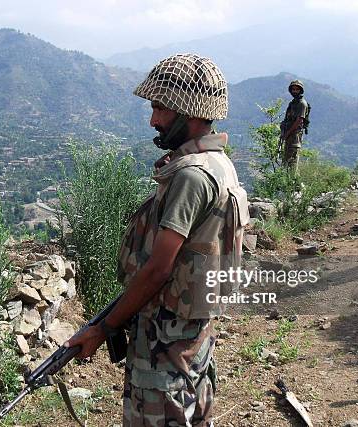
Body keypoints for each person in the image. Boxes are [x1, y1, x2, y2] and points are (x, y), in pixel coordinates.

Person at [65, 53, 249, 427]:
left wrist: (103, 328)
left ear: (190, 111)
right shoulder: (219, 163)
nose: (153, 120)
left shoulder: (191, 177)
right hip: (188, 336)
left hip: (164, 342)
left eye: (161, 108)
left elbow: (159, 269)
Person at [280, 79, 309, 173]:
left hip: (294, 138)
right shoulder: (292, 103)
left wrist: (287, 133)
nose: (295, 91)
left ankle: (295, 186)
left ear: (300, 90)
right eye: (293, 89)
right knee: (286, 164)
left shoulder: (302, 104)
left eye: (297, 89)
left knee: (292, 166)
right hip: (289, 137)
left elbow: (299, 121)